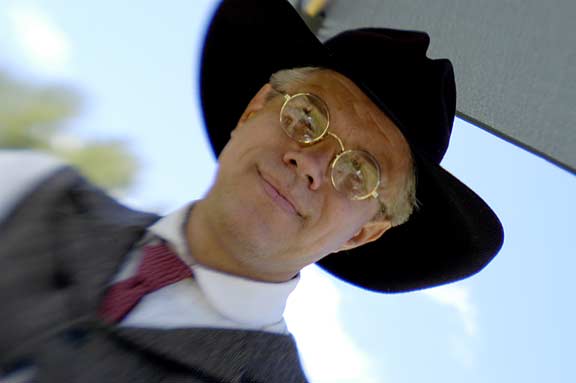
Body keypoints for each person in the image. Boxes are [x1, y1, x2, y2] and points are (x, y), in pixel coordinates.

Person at [0, 0, 504, 382]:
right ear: (254, 109)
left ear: (364, 233)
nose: (309, 162)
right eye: (306, 115)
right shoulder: (28, 192)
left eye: (358, 172)